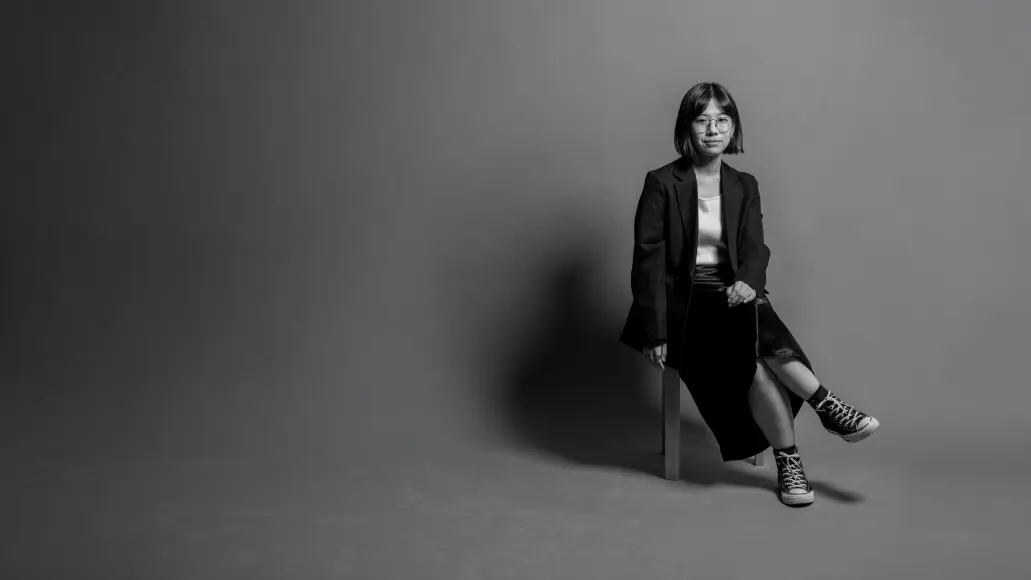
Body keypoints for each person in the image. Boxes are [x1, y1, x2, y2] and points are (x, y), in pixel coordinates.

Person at [619, 82, 879, 507]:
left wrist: (749, 280)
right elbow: (648, 260)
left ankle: (794, 455)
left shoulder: (744, 184)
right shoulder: (662, 182)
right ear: (687, 127)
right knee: (753, 345)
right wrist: (655, 330)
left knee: (753, 346)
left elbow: (755, 247)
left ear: (734, 127)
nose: (713, 130)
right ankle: (823, 409)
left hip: (733, 294)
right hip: (683, 304)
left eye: (722, 120)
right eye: (702, 120)